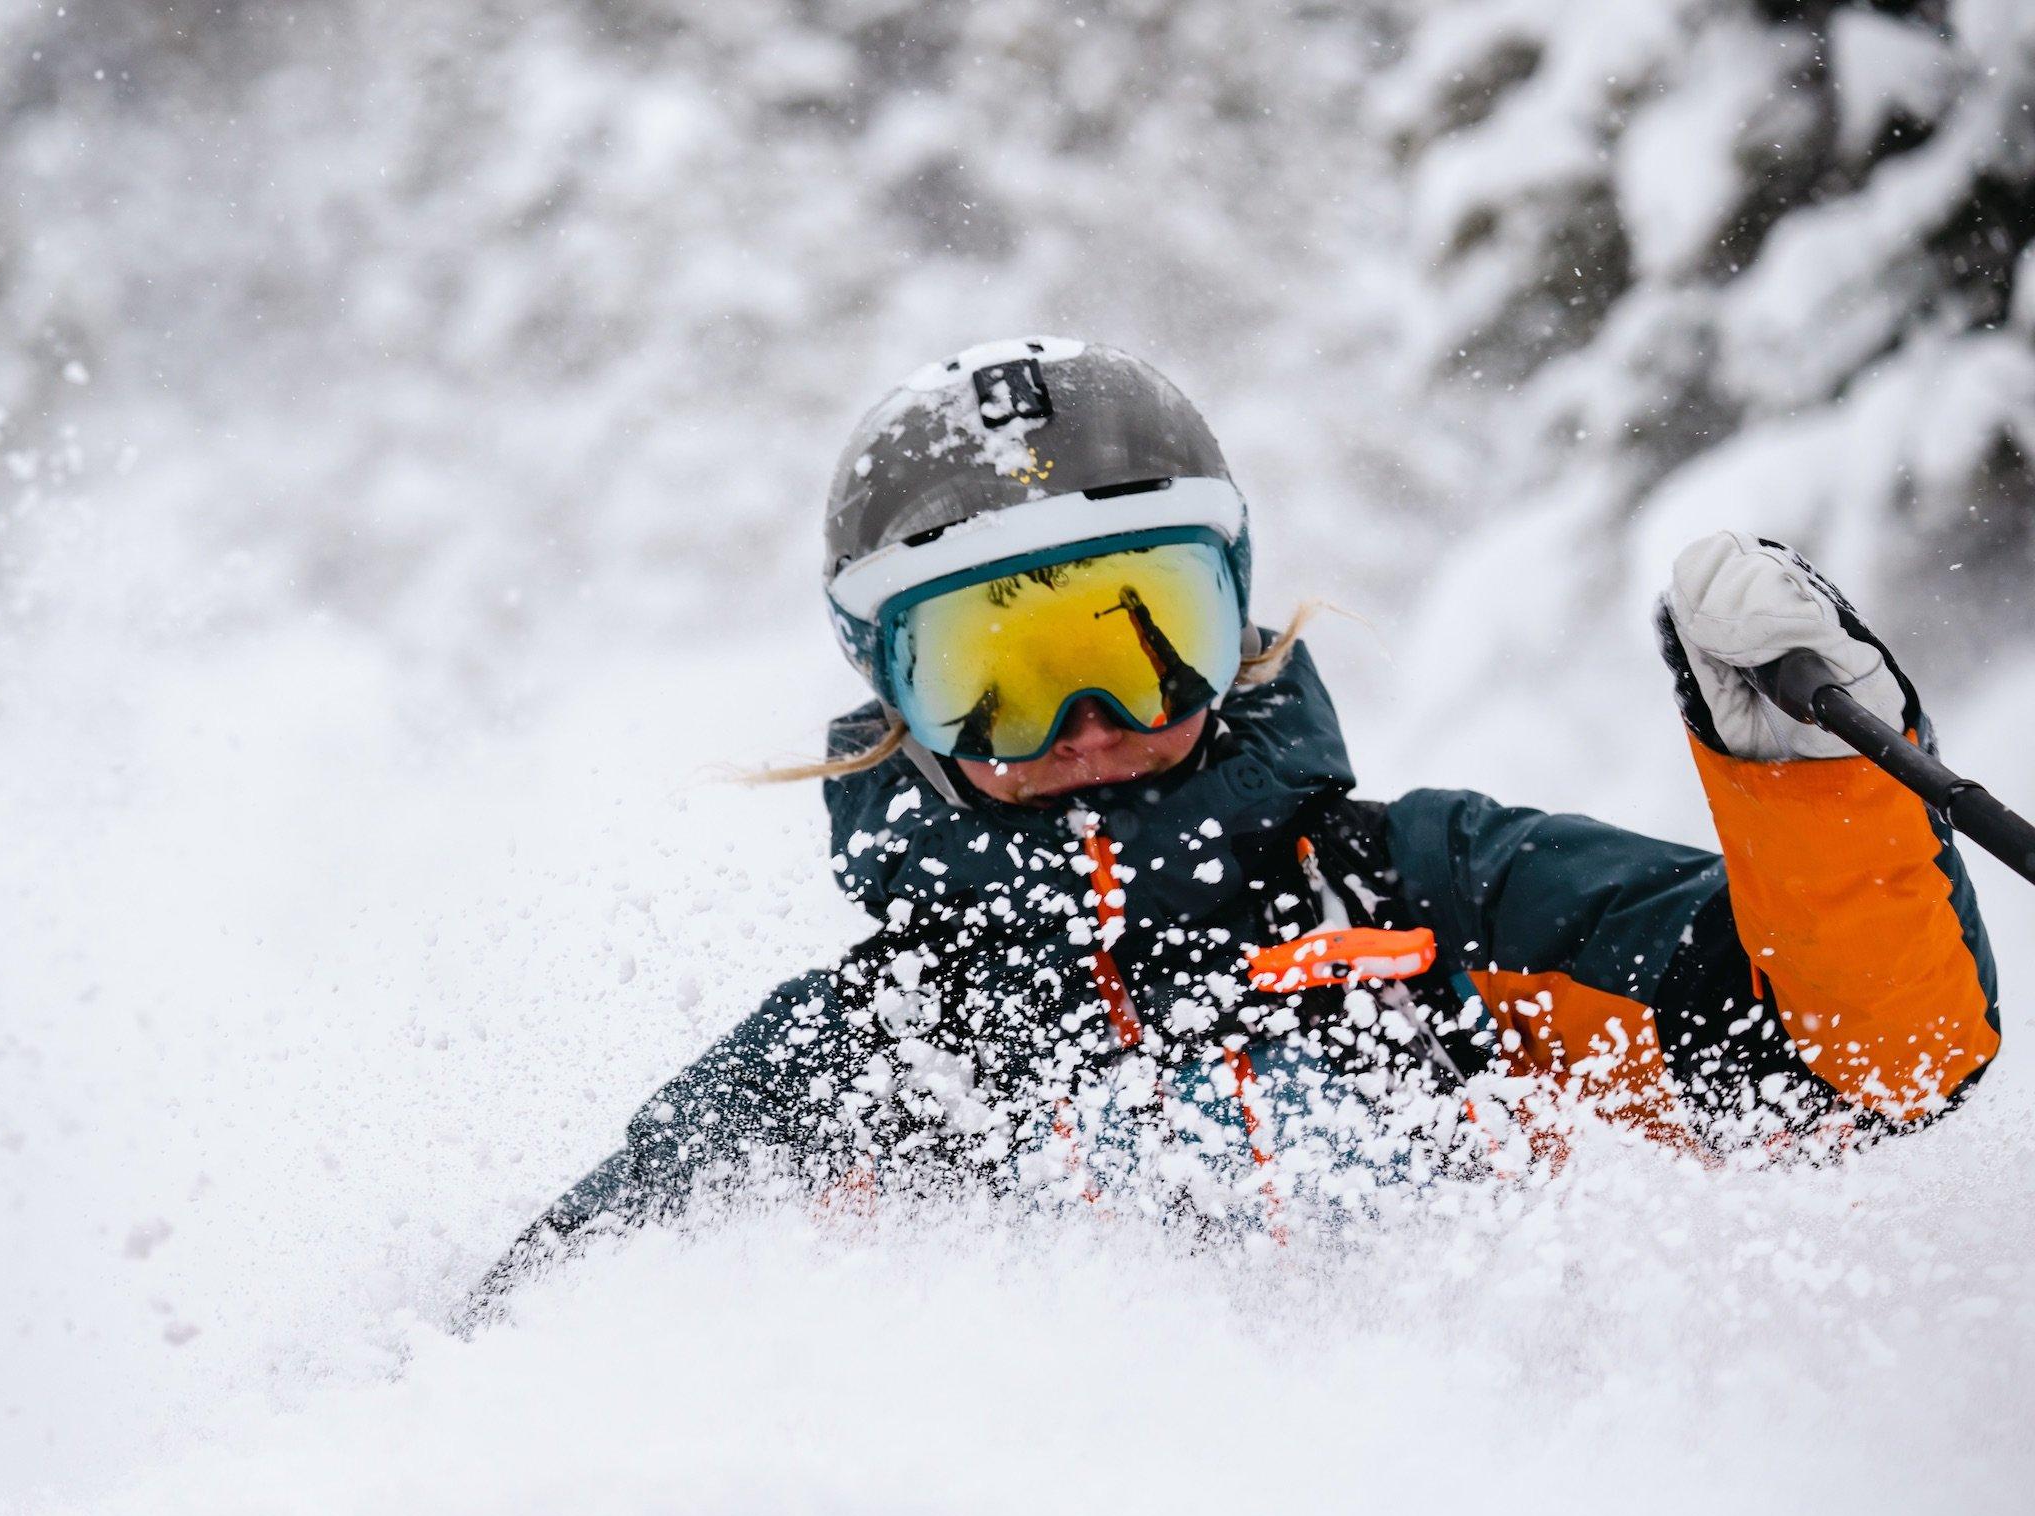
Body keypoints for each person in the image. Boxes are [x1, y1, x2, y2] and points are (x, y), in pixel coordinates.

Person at [476, 336, 2001, 1303]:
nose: (1087, 723)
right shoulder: (874, 1055)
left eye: (1143, 638)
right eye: (996, 672)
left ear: (1239, 616)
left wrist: (1816, 783)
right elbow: (563, 1332)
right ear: (889, 693)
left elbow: (1859, 1072)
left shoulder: (1429, 901)